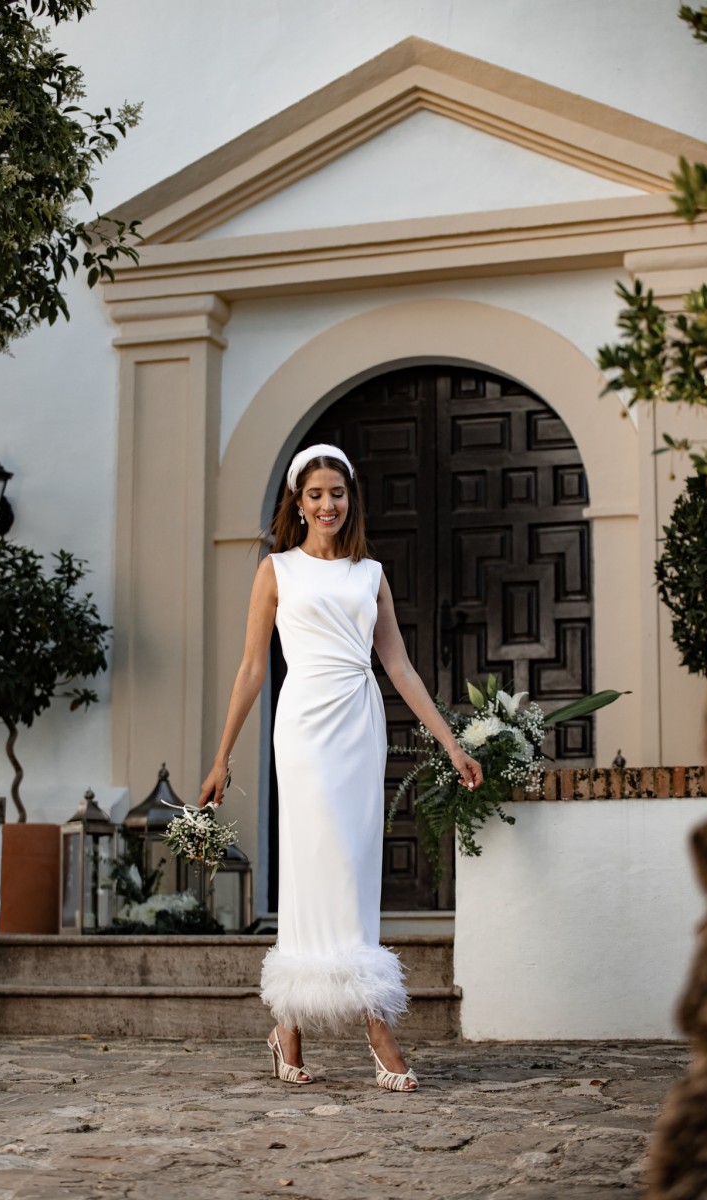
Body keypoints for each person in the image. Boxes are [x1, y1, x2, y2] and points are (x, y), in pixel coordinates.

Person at [198, 443, 483, 1092]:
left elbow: (400, 668)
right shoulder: (277, 571)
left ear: (351, 501)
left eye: (338, 493)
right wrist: (222, 757)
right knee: (309, 868)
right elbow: (250, 669)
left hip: (360, 724)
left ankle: (329, 1024)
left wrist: (450, 743)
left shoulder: (369, 575)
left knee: (353, 868)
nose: (328, 504)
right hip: (302, 727)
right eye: (316, 494)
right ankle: (327, 1024)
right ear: (298, 504)